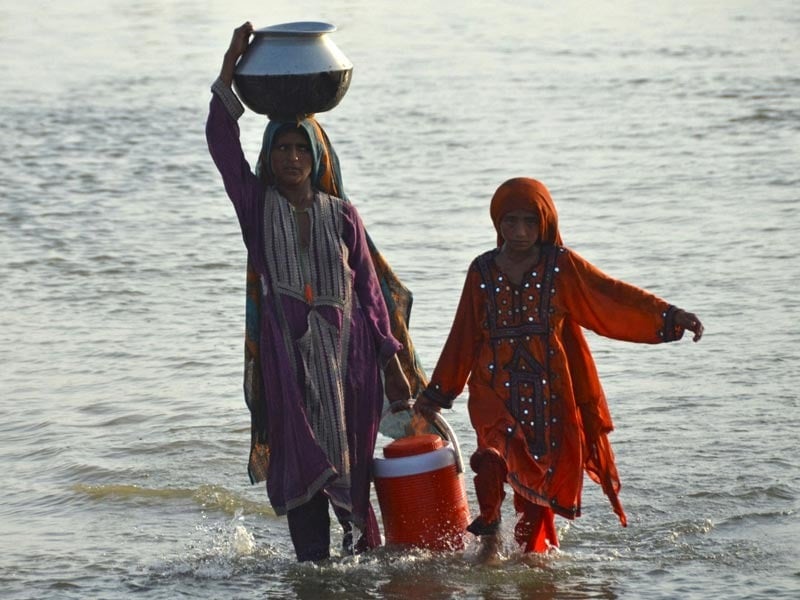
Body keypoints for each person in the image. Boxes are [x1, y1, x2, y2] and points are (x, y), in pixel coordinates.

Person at [206, 22, 424, 562]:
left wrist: (392, 367)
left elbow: (371, 299)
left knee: (354, 472)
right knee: (301, 466)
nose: (290, 159)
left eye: (299, 148)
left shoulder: (342, 216)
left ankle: (356, 569)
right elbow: (219, 141)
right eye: (280, 148)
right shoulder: (256, 208)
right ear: (269, 156)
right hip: (288, 363)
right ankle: (313, 572)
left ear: (317, 156)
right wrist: (230, 66)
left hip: (348, 363)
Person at [413, 177, 703, 562]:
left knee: (536, 485)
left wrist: (669, 316)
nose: (519, 232)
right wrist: (438, 393)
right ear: (497, 223)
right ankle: (490, 535)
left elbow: (611, 296)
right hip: (492, 389)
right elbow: (463, 336)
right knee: (491, 456)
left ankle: (535, 563)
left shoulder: (561, 266)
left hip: (548, 396)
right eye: (510, 222)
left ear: (544, 223)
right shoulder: (481, 271)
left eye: (529, 223)